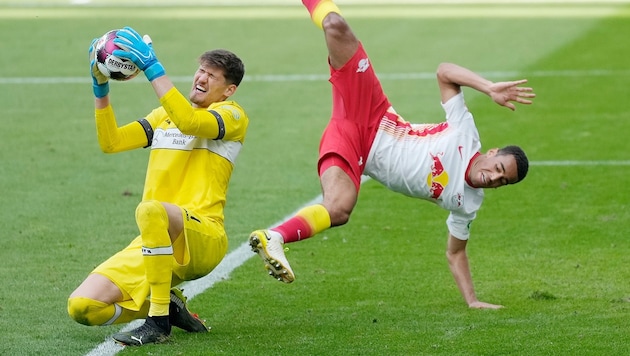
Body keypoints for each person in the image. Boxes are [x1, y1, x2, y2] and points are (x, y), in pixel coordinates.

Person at [249, 0, 534, 309]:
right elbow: (445, 72)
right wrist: (489, 87)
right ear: (492, 153)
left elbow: (456, 252)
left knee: (340, 209)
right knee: (337, 27)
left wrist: (473, 301)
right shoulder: (466, 132)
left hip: (354, 148)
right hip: (371, 111)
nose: (493, 178)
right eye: (498, 168)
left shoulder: (468, 203)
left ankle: (275, 237)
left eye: (501, 182)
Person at [67, 27, 249, 345]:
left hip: (203, 236)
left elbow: (190, 123)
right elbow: (112, 142)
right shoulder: (164, 116)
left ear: (228, 90)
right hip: (154, 240)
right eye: (201, 70)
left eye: (212, 76)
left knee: (150, 210)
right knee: (83, 307)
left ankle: (158, 323)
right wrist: (100, 87)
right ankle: (165, 305)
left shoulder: (232, 116)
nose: (201, 79)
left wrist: (152, 67)